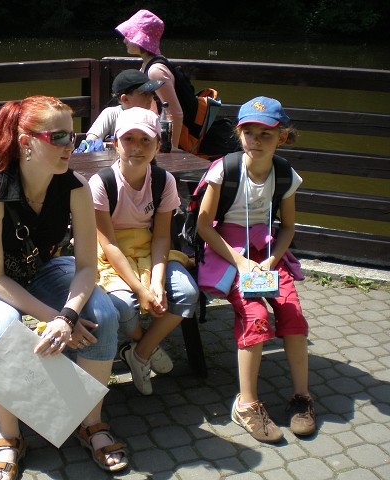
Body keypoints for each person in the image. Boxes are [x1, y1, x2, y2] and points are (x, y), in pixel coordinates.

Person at [0, 95, 128, 478]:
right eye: (59, 137)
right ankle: (9, 437)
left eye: (73, 136)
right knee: (2, 326)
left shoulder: (76, 187)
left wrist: (68, 316)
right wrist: (55, 317)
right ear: (26, 142)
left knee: (102, 313)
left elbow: (87, 267)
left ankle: (91, 423)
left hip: (45, 269)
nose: (71, 146)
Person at [197, 97, 316, 443]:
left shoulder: (286, 175)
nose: (257, 140)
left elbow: (288, 227)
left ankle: (302, 398)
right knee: (255, 316)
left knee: (292, 314)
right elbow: (204, 225)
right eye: (249, 132)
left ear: (282, 136)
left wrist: (272, 260)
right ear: (240, 134)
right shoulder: (224, 170)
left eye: (266, 133)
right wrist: (240, 262)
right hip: (227, 252)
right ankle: (246, 404)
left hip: (265, 254)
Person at [89, 107, 199, 395]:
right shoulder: (101, 183)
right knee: (124, 304)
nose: (136, 147)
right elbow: (108, 243)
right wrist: (140, 289)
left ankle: (140, 352)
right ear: (115, 143)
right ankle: (142, 344)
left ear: (157, 145)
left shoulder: (164, 181)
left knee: (187, 293)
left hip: (148, 249)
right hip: (111, 253)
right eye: (129, 139)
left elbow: (162, 236)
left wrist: (157, 283)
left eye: (145, 140)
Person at [115, 9, 241, 157]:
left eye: (129, 36)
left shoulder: (155, 70)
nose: (125, 40)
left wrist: (172, 148)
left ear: (140, 40)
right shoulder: (148, 65)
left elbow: (175, 113)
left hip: (185, 139)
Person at [85, 69, 163, 142]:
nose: (151, 97)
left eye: (151, 93)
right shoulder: (111, 114)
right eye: (144, 94)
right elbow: (90, 143)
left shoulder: (152, 117)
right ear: (125, 99)